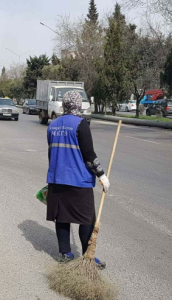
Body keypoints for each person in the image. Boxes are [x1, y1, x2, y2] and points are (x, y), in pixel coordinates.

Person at [46, 91, 110, 268]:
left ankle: (65, 253)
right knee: (87, 219)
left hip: (57, 179)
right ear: (78, 104)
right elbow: (89, 155)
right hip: (78, 180)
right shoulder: (81, 124)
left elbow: (52, 153)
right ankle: (87, 257)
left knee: (62, 217)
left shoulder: (52, 125)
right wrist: (102, 175)